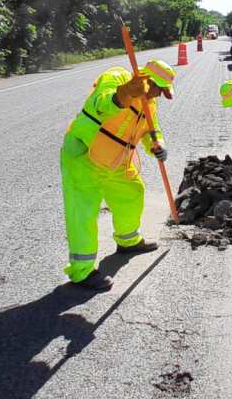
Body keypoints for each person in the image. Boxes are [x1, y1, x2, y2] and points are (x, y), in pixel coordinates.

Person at [60, 59, 177, 291]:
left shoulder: (149, 104)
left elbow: (151, 130)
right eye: (159, 89)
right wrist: (123, 95)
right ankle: (81, 271)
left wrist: (158, 144)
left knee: (133, 193)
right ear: (147, 80)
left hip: (117, 159)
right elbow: (100, 105)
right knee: (82, 211)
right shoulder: (117, 78)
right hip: (85, 154)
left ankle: (128, 241)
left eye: (164, 92)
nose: (159, 95)